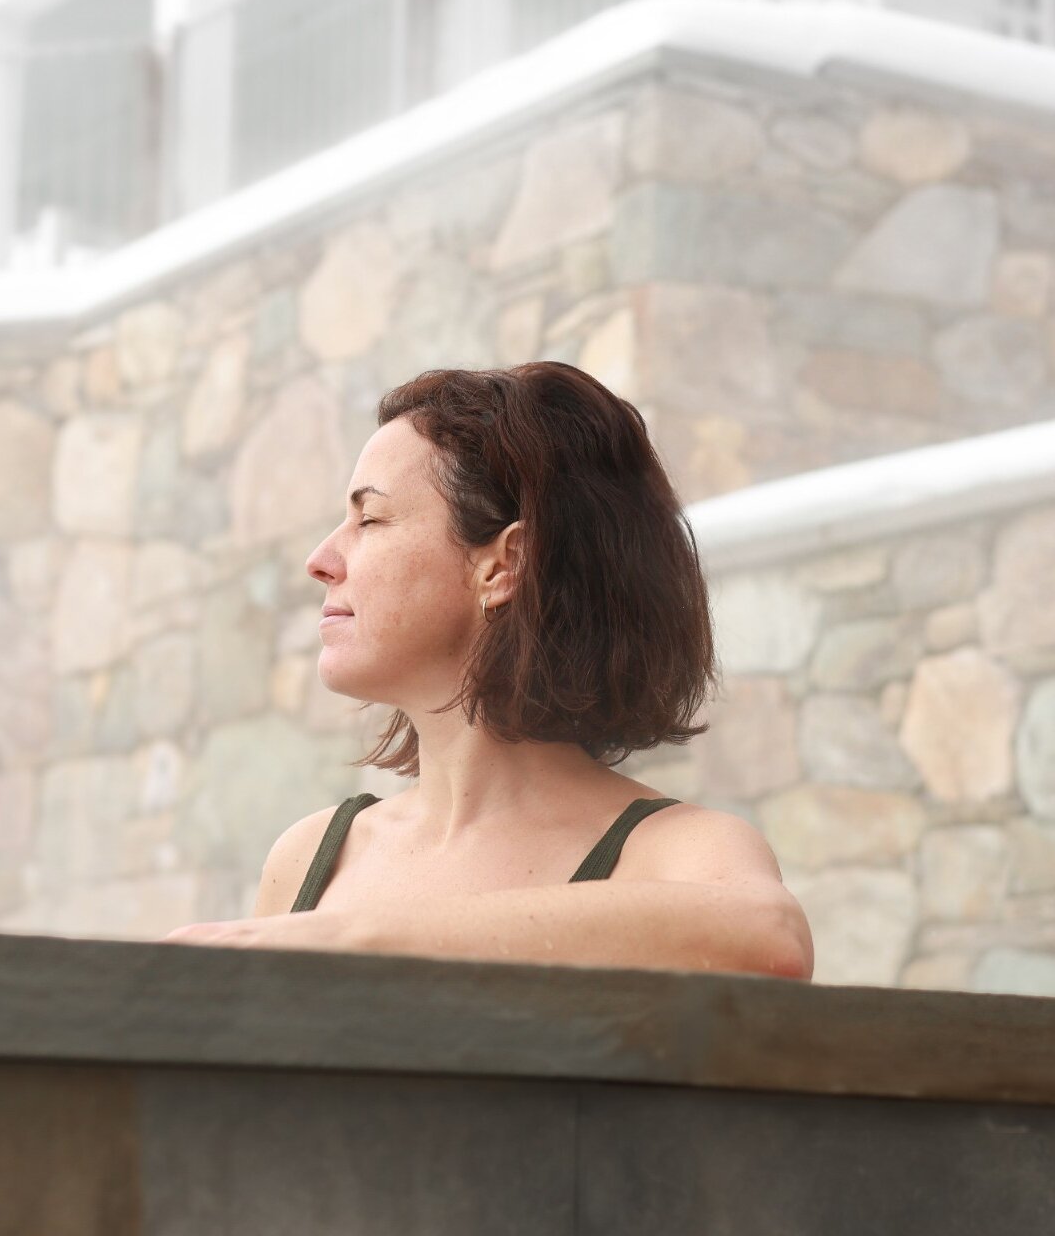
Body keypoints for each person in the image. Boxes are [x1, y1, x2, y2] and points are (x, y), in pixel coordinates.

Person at [161, 361, 815, 980]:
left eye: (371, 518)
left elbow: (767, 940)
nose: (320, 559)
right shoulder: (308, 857)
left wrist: (346, 936)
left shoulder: (675, 850)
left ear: (504, 565)